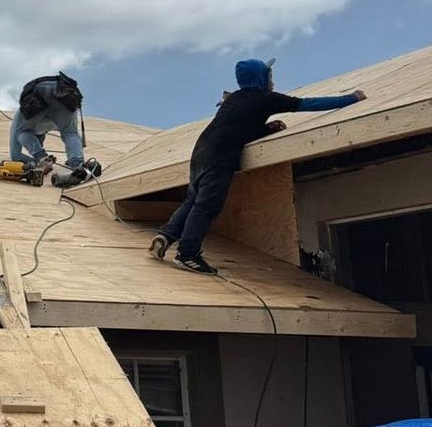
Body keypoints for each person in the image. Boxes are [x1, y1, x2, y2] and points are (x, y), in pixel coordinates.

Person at [151, 59, 365, 274]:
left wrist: (266, 129)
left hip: (201, 151)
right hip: (219, 157)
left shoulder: (234, 99)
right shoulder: (265, 98)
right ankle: (187, 254)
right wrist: (351, 98)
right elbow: (308, 104)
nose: (272, 81)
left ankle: (166, 236)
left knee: (193, 200)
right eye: (269, 76)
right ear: (260, 78)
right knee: (207, 205)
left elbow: (241, 127)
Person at [10, 73, 89, 175]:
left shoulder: (20, 120)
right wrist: (76, 156)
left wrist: (37, 160)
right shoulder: (53, 122)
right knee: (70, 133)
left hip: (38, 92)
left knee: (22, 132)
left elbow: (15, 155)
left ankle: (43, 159)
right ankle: (78, 165)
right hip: (64, 91)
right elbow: (74, 135)